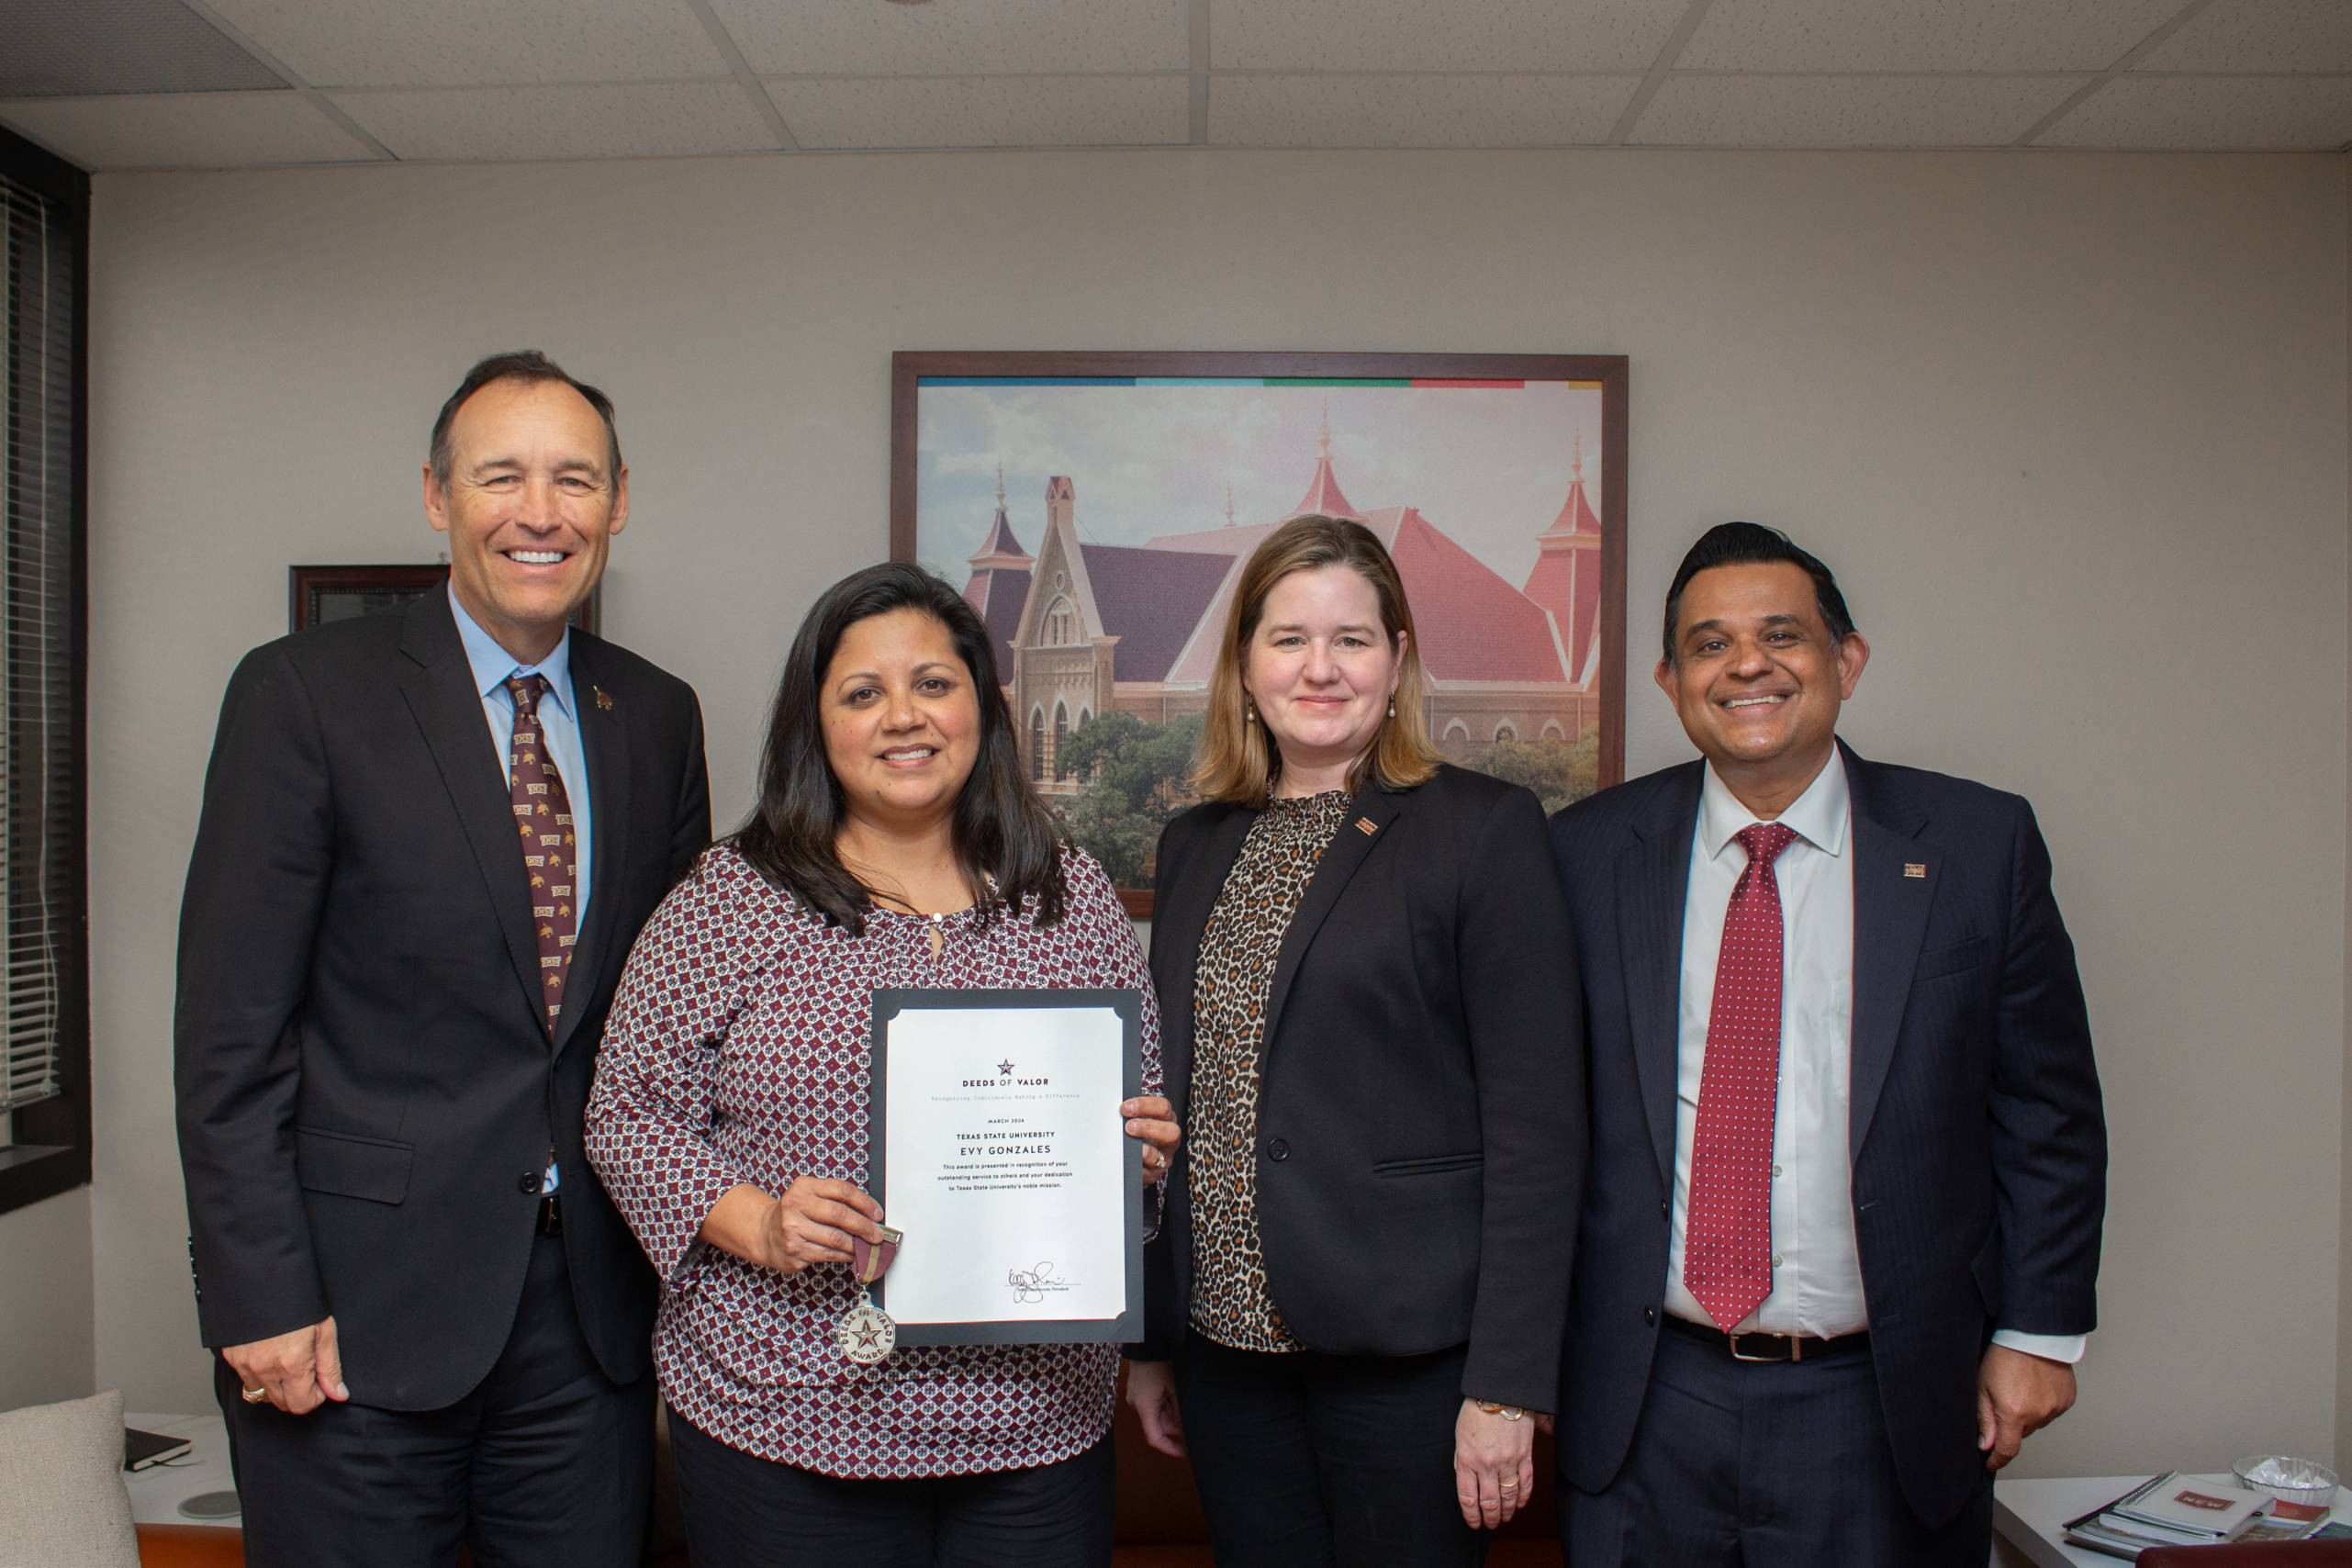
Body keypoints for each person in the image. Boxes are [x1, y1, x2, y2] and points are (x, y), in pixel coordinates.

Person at [174, 350, 711, 1566]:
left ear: (618, 501)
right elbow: (228, 1038)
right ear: (436, 496)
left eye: (574, 479)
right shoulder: (303, 696)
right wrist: (258, 1298)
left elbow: (672, 1027)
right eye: (500, 476)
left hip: (587, 1330)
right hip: (347, 1323)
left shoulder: (656, 715)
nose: (540, 512)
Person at [584, 561, 1179, 1568]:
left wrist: (1137, 1157)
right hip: (786, 1414)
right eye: (863, 693)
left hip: (1036, 1427)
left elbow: (1134, 1112)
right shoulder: (732, 897)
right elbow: (627, 1112)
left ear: (983, 709)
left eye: (933, 684)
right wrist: (761, 1223)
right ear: (817, 723)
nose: (905, 717)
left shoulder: (1067, 894)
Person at [1548, 521, 2107, 1565]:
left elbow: (2049, 1111)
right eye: (1710, 645)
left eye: (1782, 636)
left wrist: (2039, 1332)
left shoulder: (1979, 847)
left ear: (1846, 660)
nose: (1746, 664)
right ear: (1672, 679)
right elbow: (1532, 1119)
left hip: (1884, 1396)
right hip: (1645, 1393)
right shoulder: (1583, 856)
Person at [1121, 515, 1581, 1568]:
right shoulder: (1197, 843)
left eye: (1352, 639)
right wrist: (1149, 1343)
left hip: (1408, 1361)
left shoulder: (1483, 828)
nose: (1319, 668)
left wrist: (1508, 1380)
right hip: (1224, 1349)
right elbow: (1172, 1099)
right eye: (1288, 639)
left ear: (1399, 659)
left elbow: (1539, 1130)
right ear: (1244, 665)